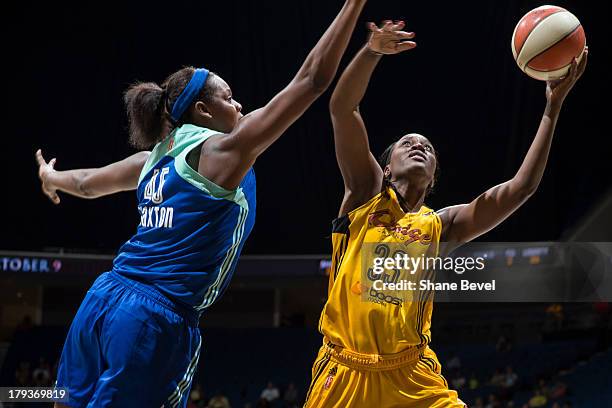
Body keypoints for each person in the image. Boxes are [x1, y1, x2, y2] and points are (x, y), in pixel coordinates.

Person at [35, 1, 368, 406]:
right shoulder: (222, 154)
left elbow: (86, 184)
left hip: (102, 299)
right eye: (230, 98)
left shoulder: (152, 158)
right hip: (153, 319)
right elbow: (312, 81)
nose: (240, 106)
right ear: (203, 110)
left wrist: (50, 178)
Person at [304, 20, 588, 407]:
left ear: (434, 175)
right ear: (385, 168)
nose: (418, 145)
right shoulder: (364, 196)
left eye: (427, 147)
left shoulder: (440, 225)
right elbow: (342, 108)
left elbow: (521, 188)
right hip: (344, 372)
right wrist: (371, 52)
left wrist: (552, 109)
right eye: (407, 143)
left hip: (412, 376)